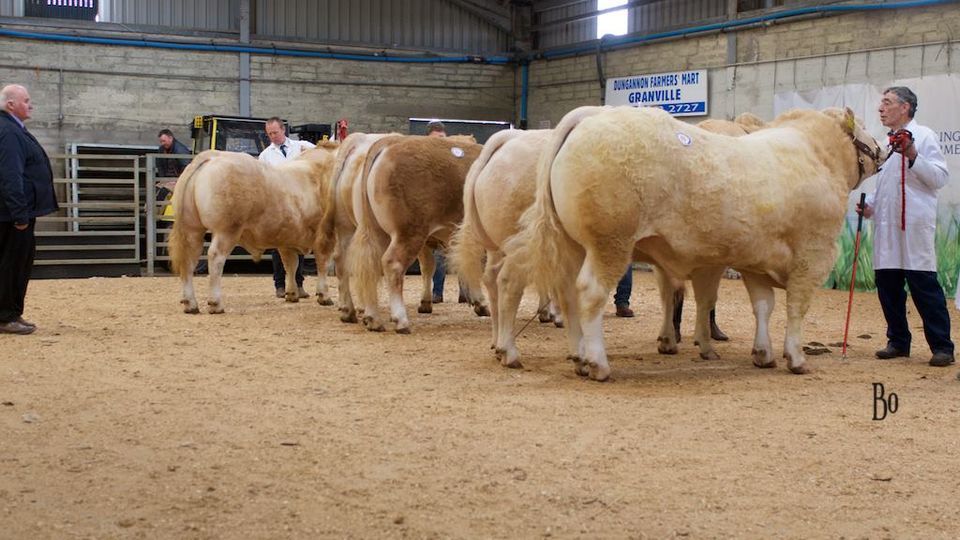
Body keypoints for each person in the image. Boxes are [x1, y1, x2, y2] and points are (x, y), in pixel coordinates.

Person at [860, 86, 953, 367]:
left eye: (887, 103)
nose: (881, 108)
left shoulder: (924, 136)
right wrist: (870, 207)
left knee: (924, 287)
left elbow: (939, 177)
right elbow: (886, 184)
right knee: (888, 286)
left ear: (905, 107)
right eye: (881, 103)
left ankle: (942, 347)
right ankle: (898, 341)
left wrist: (913, 154)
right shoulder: (885, 143)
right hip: (887, 228)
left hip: (913, 226)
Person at [0, 84, 58, 335]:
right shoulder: (9, 132)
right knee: (11, 263)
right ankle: (5, 316)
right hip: (13, 215)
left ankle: (12, 312)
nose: (30, 104)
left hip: (16, 212)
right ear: (10, 104)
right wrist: (20, 214)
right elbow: (10, 175)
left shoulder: (12, 129)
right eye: (26, 100)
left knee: (17, 262)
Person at [258, 116, 315, 299]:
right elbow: (262, 180)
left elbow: (322, 155)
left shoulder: (301, 146)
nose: (272, 136)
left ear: (283, 130)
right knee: (278, 246)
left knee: (299, 245)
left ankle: (298, 284)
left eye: (275, 132)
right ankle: (280, 285)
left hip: (301, 203)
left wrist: (313, 153)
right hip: (278, 204)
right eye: (269, 134)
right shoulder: (265, 155)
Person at [424, 120, 468, 304]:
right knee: (438, 253)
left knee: (461, 248)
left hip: (455, 209)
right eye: (435, 138)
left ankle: (465, 291)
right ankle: (437, 292)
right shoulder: (424, 157)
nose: (440, 141)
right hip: (434, 210)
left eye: (442, 137)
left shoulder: (454, 156)